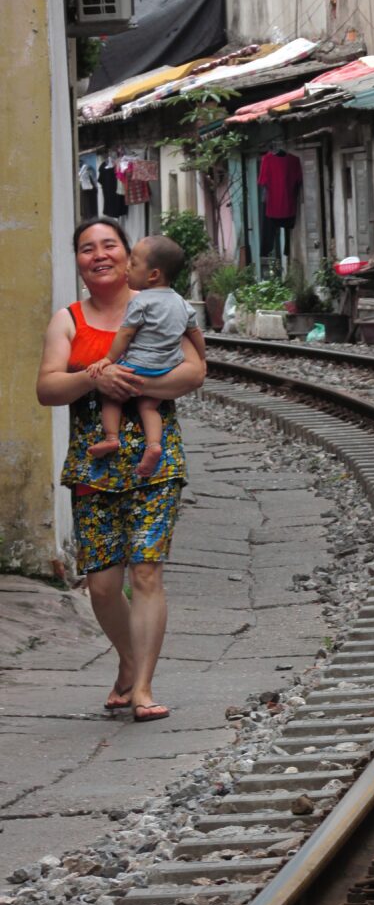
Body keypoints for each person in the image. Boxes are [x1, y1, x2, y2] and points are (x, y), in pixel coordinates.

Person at [36, 218, 206, 721]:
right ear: (80, 262)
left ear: (137, 260)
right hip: (94, 462)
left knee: (147, 572)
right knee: (104, 584)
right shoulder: (68, 320)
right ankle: (129, 663)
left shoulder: (162, 309)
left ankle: (144, 690)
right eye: (87, 248)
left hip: (156, 461)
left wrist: (132, 384)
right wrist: (94, 380)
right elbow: (47, 389)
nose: (100, 254)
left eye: (111, 245)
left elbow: (196, 370)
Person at [87, 235, 206, 478]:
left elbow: (126, 334)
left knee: (110, 395)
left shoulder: (142, 301)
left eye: (133, 263)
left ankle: (111, 438)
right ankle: (154, 445)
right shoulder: (182, 303)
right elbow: (195, 333)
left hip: (138, 366)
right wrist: (202, 358)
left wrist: (109, 359)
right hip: (167, 367)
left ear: (153, 275)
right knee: (148, 406)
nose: (127, 268)